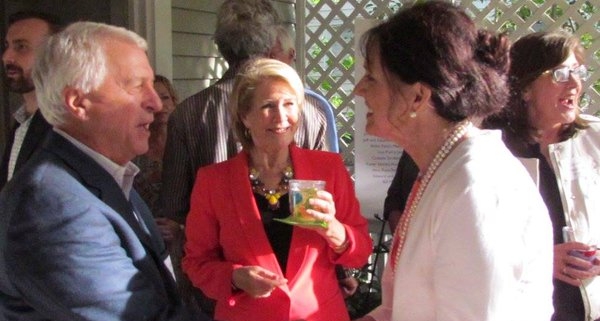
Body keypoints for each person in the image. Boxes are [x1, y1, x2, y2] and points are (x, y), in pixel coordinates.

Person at [352, 2, 554, 320]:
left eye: (371, 77)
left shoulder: (475, 188)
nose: (358, 89)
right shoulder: (445, 171)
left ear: (417, 97)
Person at [0, 21, 211, 321]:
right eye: (136, 85)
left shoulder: (108, 175)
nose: (154, 102)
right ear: (78, 103)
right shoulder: (51, 206)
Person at [182, 58, 372, 321]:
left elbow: (361, 251)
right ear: (244, 116)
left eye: (289, 104)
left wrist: (333, 229)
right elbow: (196, 263)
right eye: (268, 106)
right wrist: (235, 277)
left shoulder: (327, 169)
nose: (281, 118)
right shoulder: (214, 181)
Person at [483, 30, 600, 321]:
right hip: (521, 309)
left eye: (577, 72)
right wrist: (538, 259)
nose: (575, 84)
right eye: (561, 74)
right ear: (525, 88)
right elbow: (470, 240)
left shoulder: (595, 138)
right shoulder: (489, 149)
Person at [0, 10, 62, 190]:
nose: (6, 57)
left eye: (21, 47)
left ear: (54, 55)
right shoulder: (21, 122)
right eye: (7, 46)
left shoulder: (66, 125)